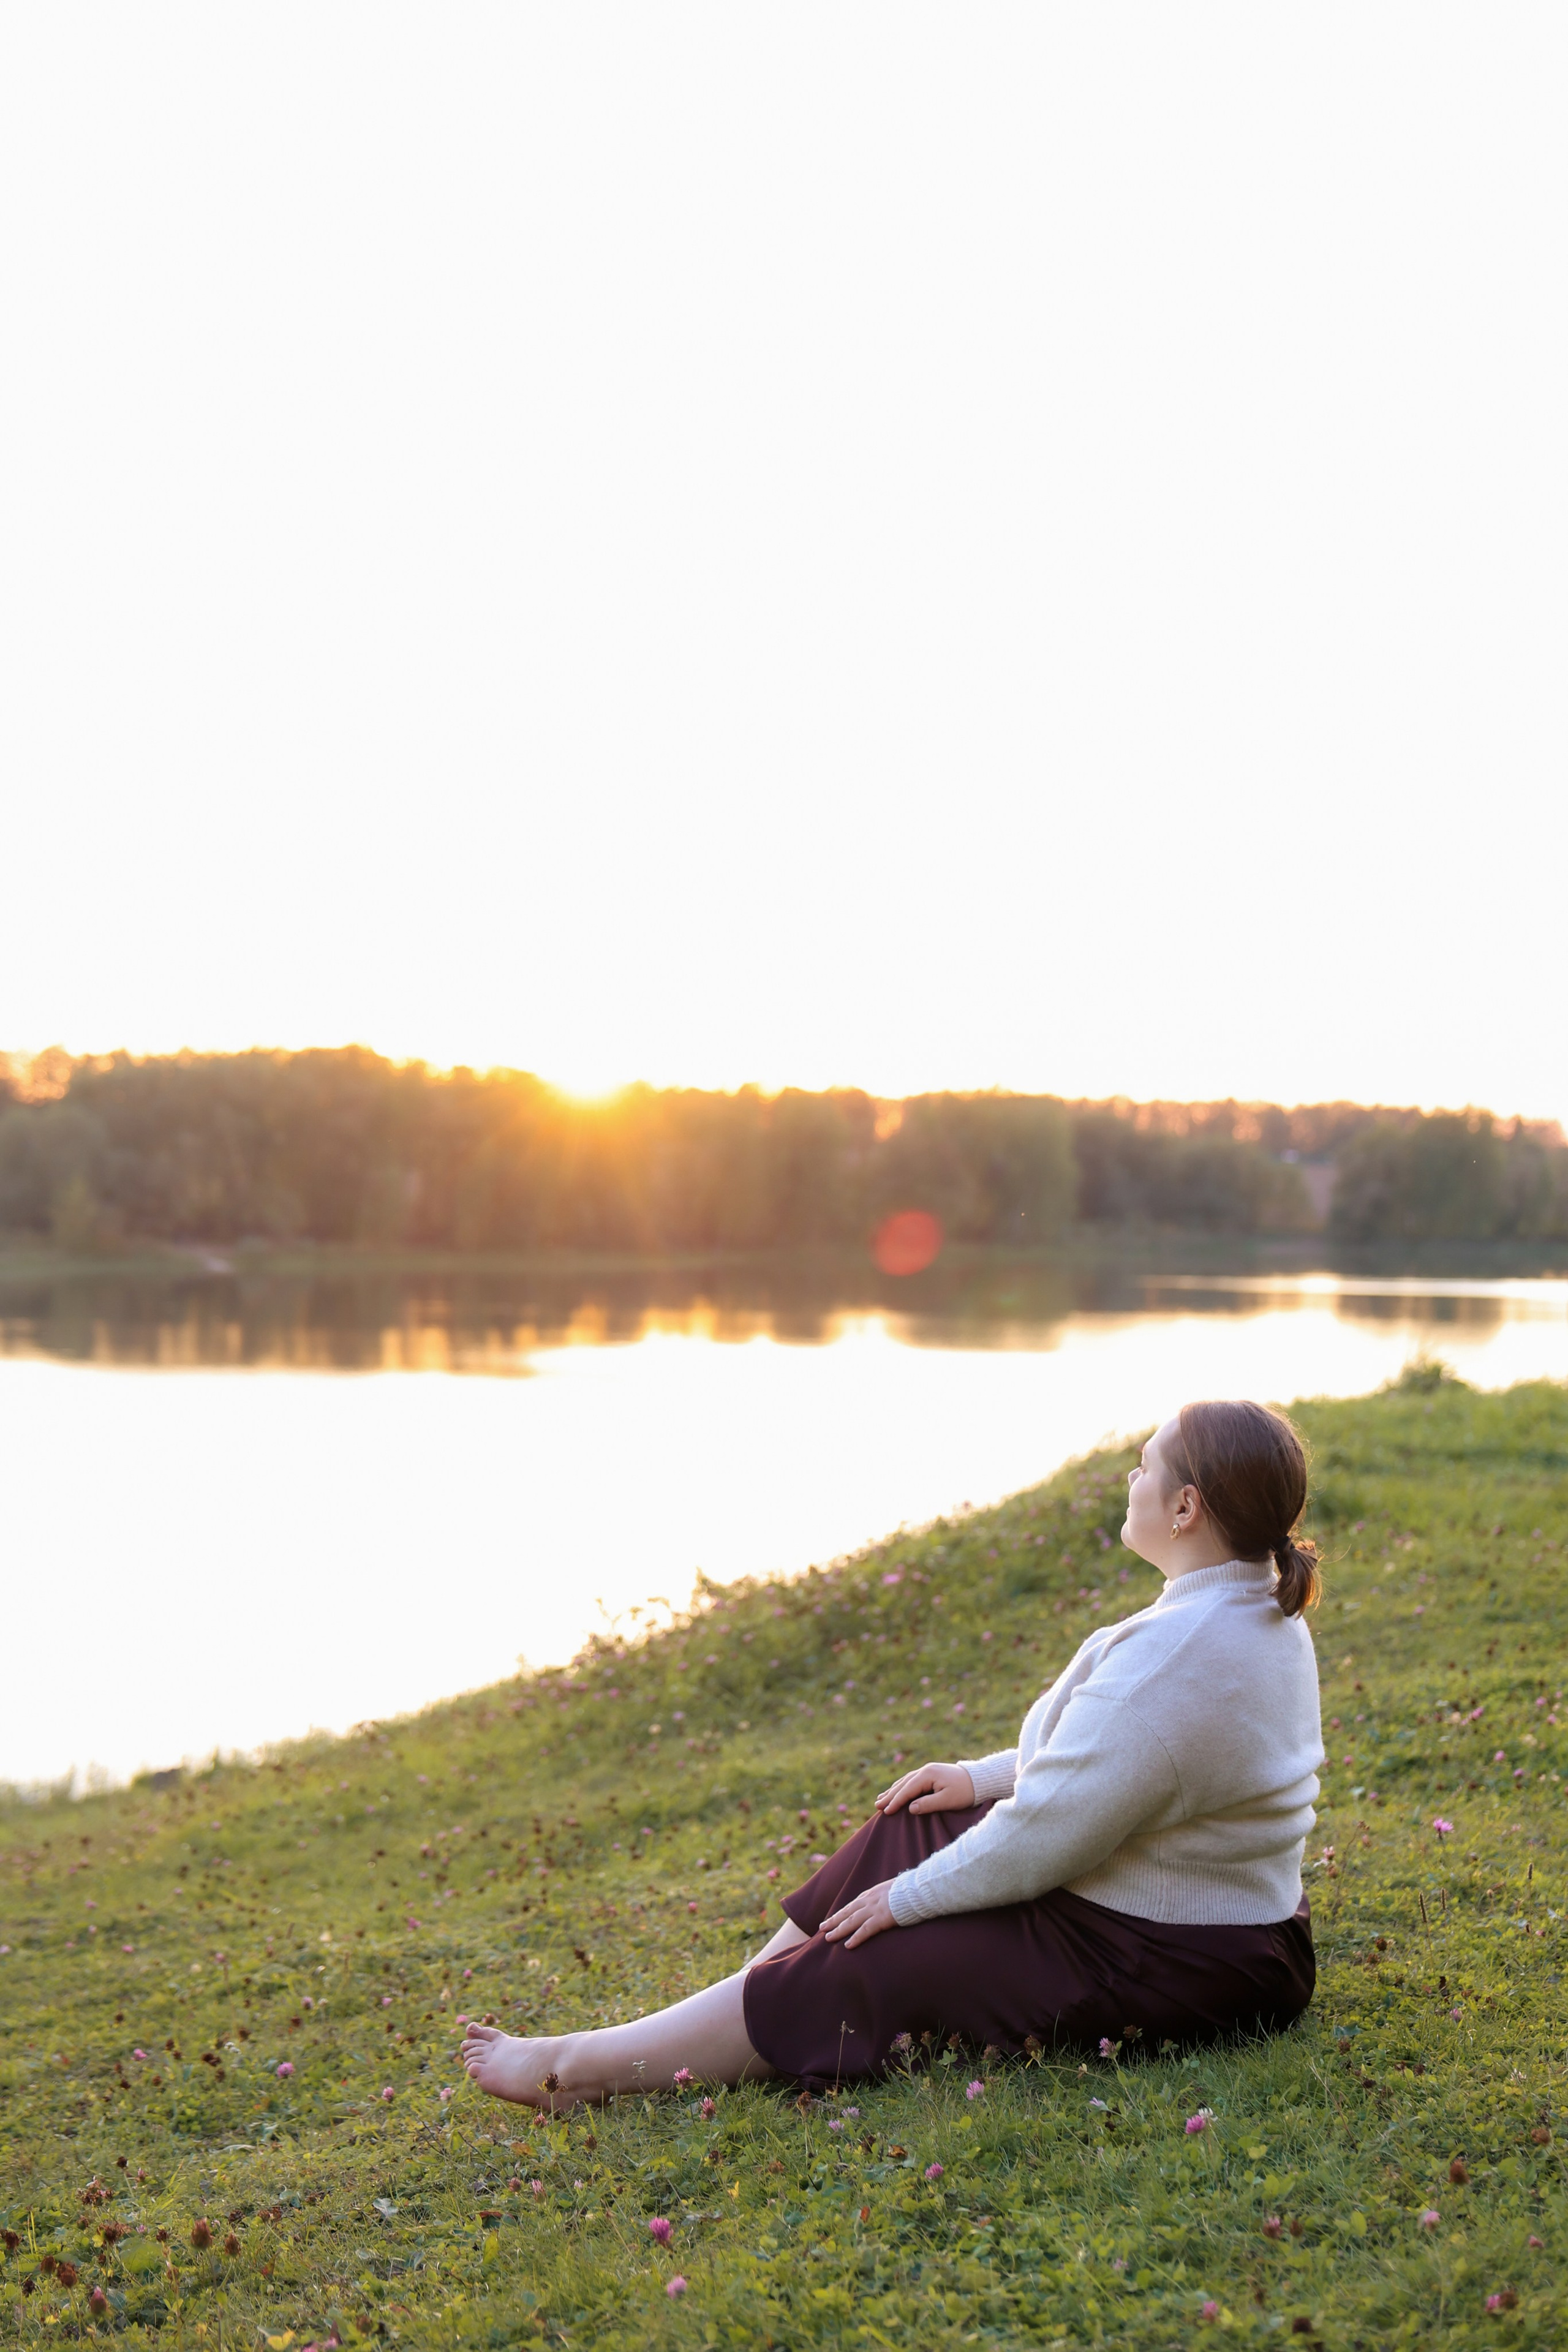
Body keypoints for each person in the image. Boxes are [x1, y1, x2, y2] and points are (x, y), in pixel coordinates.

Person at [461, 1398, 1325, 2108]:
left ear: (1186, 1508)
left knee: (881, 1951)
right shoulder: (1243, 1603)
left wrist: (908, 1900)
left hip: (1185, 1960)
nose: (1130, 1478)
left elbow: (1043, 1839)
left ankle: (580, 2070)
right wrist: (977, 1780)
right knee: (915, 1817)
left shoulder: (1177, 1657)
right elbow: (1121, 1768)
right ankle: (721, 2019)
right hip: (1196, 1926)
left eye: (1146, 1464)